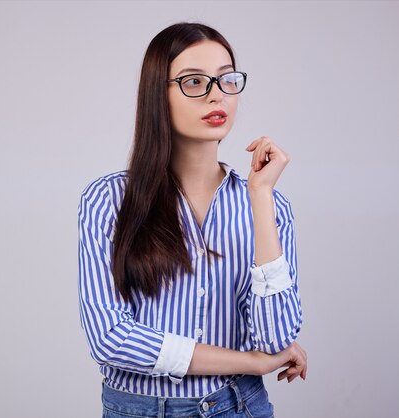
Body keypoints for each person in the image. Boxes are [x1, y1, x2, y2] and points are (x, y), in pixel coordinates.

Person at [77, 22, 307, 418]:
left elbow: (276, 339)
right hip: (139, 410)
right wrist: (247, 363)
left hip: (240, 406)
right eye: (194, 81)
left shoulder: (269, 206)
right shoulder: (109, 200)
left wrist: (261, 198)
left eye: (225, 80)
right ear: (157, 94)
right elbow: (111, 339)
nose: (216, 95)